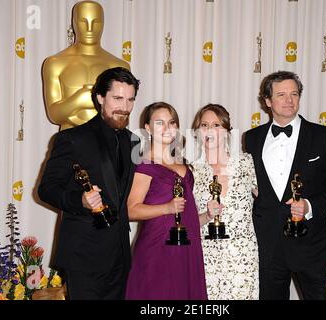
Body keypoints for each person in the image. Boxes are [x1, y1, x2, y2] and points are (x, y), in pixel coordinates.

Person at [243, 71, 326, 300]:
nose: (289, 100)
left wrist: (310, 206)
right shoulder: (252, 138)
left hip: (313, 245)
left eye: (294, 94)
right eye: (281, 94)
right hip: (268, 244)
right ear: (267, 101)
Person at [38, 67, 140, 300]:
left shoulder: (133, 141)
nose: (124, 107)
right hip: (84, 252)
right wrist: (80, 201)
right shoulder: (73, 138)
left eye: (130, 99)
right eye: (117, 98)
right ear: (100, 98)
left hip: (120, 253)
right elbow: (47, 189)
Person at [125, 102, 207, 300]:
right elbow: (131, 210)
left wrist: (208, 215)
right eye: (160, 122)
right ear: (147, 128)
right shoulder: (144, 165)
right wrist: (166, 208)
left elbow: (187, 216)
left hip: (188, 247)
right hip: (158, 247)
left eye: (172, 122)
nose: (168, 128)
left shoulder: (183, 165)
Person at [191, 104, 259, 300]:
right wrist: (207, 215)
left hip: (242, 258)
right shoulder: (192, 172)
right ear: (197, 131)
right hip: (206, 258)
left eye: (217, 125)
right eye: (204, 125)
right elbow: (187, 221)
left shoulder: (246, 163)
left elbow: (268, 202)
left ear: (227, 130)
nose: (210, 130)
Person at [42, 0, 130, 131]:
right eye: (84, 21)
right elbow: (54, 115)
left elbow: (122, 113)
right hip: (70, 141)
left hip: (107, 141)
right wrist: (79, 99)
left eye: (96, 22)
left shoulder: (119, 65)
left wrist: (87, 100)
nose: (90, 28)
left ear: (103, 23)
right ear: (74, 22)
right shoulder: (55, 63)